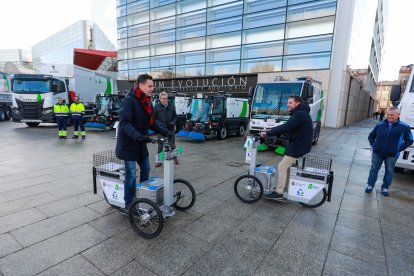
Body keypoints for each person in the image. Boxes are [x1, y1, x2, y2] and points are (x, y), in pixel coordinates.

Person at [115, 73, 172, 213]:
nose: (153, 88)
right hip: (128, 144)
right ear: (141, 85)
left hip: (140, 144)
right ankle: (129, 204)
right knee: (132, 174)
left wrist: (165, 132)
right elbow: (124, 123)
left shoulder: (147, 101)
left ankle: (142, 198)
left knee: (146, 169)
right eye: (150, 85)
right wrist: (138, 136)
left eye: (153, 86)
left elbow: (151, 123)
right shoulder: (130, 100)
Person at [260, 95, 313, 201]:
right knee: (287, 167)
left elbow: (286, 127)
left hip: (298, 146)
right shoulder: (300, 113)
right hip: (299, 144)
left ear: (297, 103)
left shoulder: (299, 114)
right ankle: (284, 188)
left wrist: (267, 133)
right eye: (287, 102)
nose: (287, 104)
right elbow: (288, 126)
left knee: (282, 167)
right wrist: (270, 130)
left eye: (290, 103)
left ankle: (279, 192)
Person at [365, 107, 413, 196]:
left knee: (389, 171)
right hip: (377, 152)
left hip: (392, 154)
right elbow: (371, 135)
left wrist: (398, 149)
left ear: (398, 115)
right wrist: (374, 145)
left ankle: (385, 188)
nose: (389, 116)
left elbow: (410, 140)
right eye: (388, 114)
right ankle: (370, 185)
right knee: (374, 169)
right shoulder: (380, 124)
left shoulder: (404, 127)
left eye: (392, 115)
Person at [153, 91, 178, 167]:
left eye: (166, 98)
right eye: (163, 98)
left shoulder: (172, 106)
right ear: (160, 99)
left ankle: (175, 158)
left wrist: (173, 122)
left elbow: (175, 116)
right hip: (161, 130)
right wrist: (159, 124)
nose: (165, 100)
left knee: (172, 144)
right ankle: (159, 161)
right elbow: (154, 119)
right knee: (160, 146)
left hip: (170, 129)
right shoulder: (156, 107)